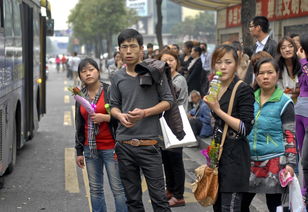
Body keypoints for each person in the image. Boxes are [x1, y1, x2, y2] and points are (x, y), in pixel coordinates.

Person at [110, 29, 173, 212]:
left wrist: (145, 113)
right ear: (119, 50)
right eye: (124, 47)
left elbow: (168, 101)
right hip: (124, 144)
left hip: (149, 144)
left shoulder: (155, 72)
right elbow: (113, 105)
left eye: (132, 46)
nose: (128, 51)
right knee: (133, 201)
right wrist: (119, 115)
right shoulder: (117, 77)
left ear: (141, 49)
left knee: (160, 200)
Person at [203, 45, 255, 211]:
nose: (223, 67)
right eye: (218, 62)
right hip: (217, 153)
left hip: (235, 156)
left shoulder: (243, 89)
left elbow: (245, 128)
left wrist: (217, 109)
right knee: (216, 205)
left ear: (236, 64)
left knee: (229, 207)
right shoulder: (215, 87)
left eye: (228, 62)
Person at [241, 58, 297, 212]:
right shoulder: (248, 98)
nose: (265, 77)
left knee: (276, 207)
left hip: (275, 163)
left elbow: (290, 135)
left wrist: (291, 165)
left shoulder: (285, 102)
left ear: (277, 74)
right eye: (261, 73)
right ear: (256, 76)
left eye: (270, 72)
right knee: (240, 205)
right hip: (249, 162)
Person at [74, 58, 128, 212]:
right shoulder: (80, 95)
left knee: (118, 189)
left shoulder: (110, 90)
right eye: (83, 71)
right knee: (95, 189)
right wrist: (79, 151)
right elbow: (79, 124)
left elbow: (122, 117)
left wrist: (106, 117)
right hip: (90, 149)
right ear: (80, 76)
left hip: (111, 147)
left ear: (98, 71)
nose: (88, 73)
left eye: (91, 69)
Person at [158, 50, 188, 207]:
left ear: (177, 62)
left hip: (176, 124)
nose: (168, 63)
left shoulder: (178, 79)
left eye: (171, 60)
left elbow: (171, 97)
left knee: (176, 160)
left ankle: (179, 195)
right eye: (164, 60)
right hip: (163, 123)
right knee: (166, 159)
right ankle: (169, 190)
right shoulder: (162, 79)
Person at [296, 34, 308, 206]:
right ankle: (303, 191)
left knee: (305, 158)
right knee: (300, 156)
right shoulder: (301, 64)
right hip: (299, 111)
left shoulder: (304, 63)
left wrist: (303, 61)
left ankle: (305, 192)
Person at [276, 36, 301, 102]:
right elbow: (279, 92)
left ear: (295, 48)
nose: (287, 49)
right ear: (279, 51)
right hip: (284, 103)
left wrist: (291, 91)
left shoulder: (302, 64)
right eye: (283, 48)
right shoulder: (277, 67)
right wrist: (296, 91)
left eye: (290, 46)